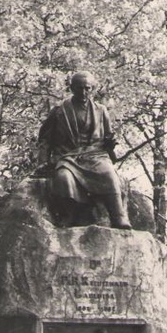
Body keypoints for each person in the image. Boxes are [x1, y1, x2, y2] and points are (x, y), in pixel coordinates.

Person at [37, 70, 131, 229]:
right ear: (72, 88)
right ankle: (70, 214)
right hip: (68, 157)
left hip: (95, 155)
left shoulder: (101, 110)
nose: (84, 92)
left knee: (108, 174)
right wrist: (42, 162)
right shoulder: (60, 110)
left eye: (87, 88)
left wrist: (110, 143)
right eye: (79, 88)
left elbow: (107, 137)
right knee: (63, 178)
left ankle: (118, 216)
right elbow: (45, 139)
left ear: (92, 89)